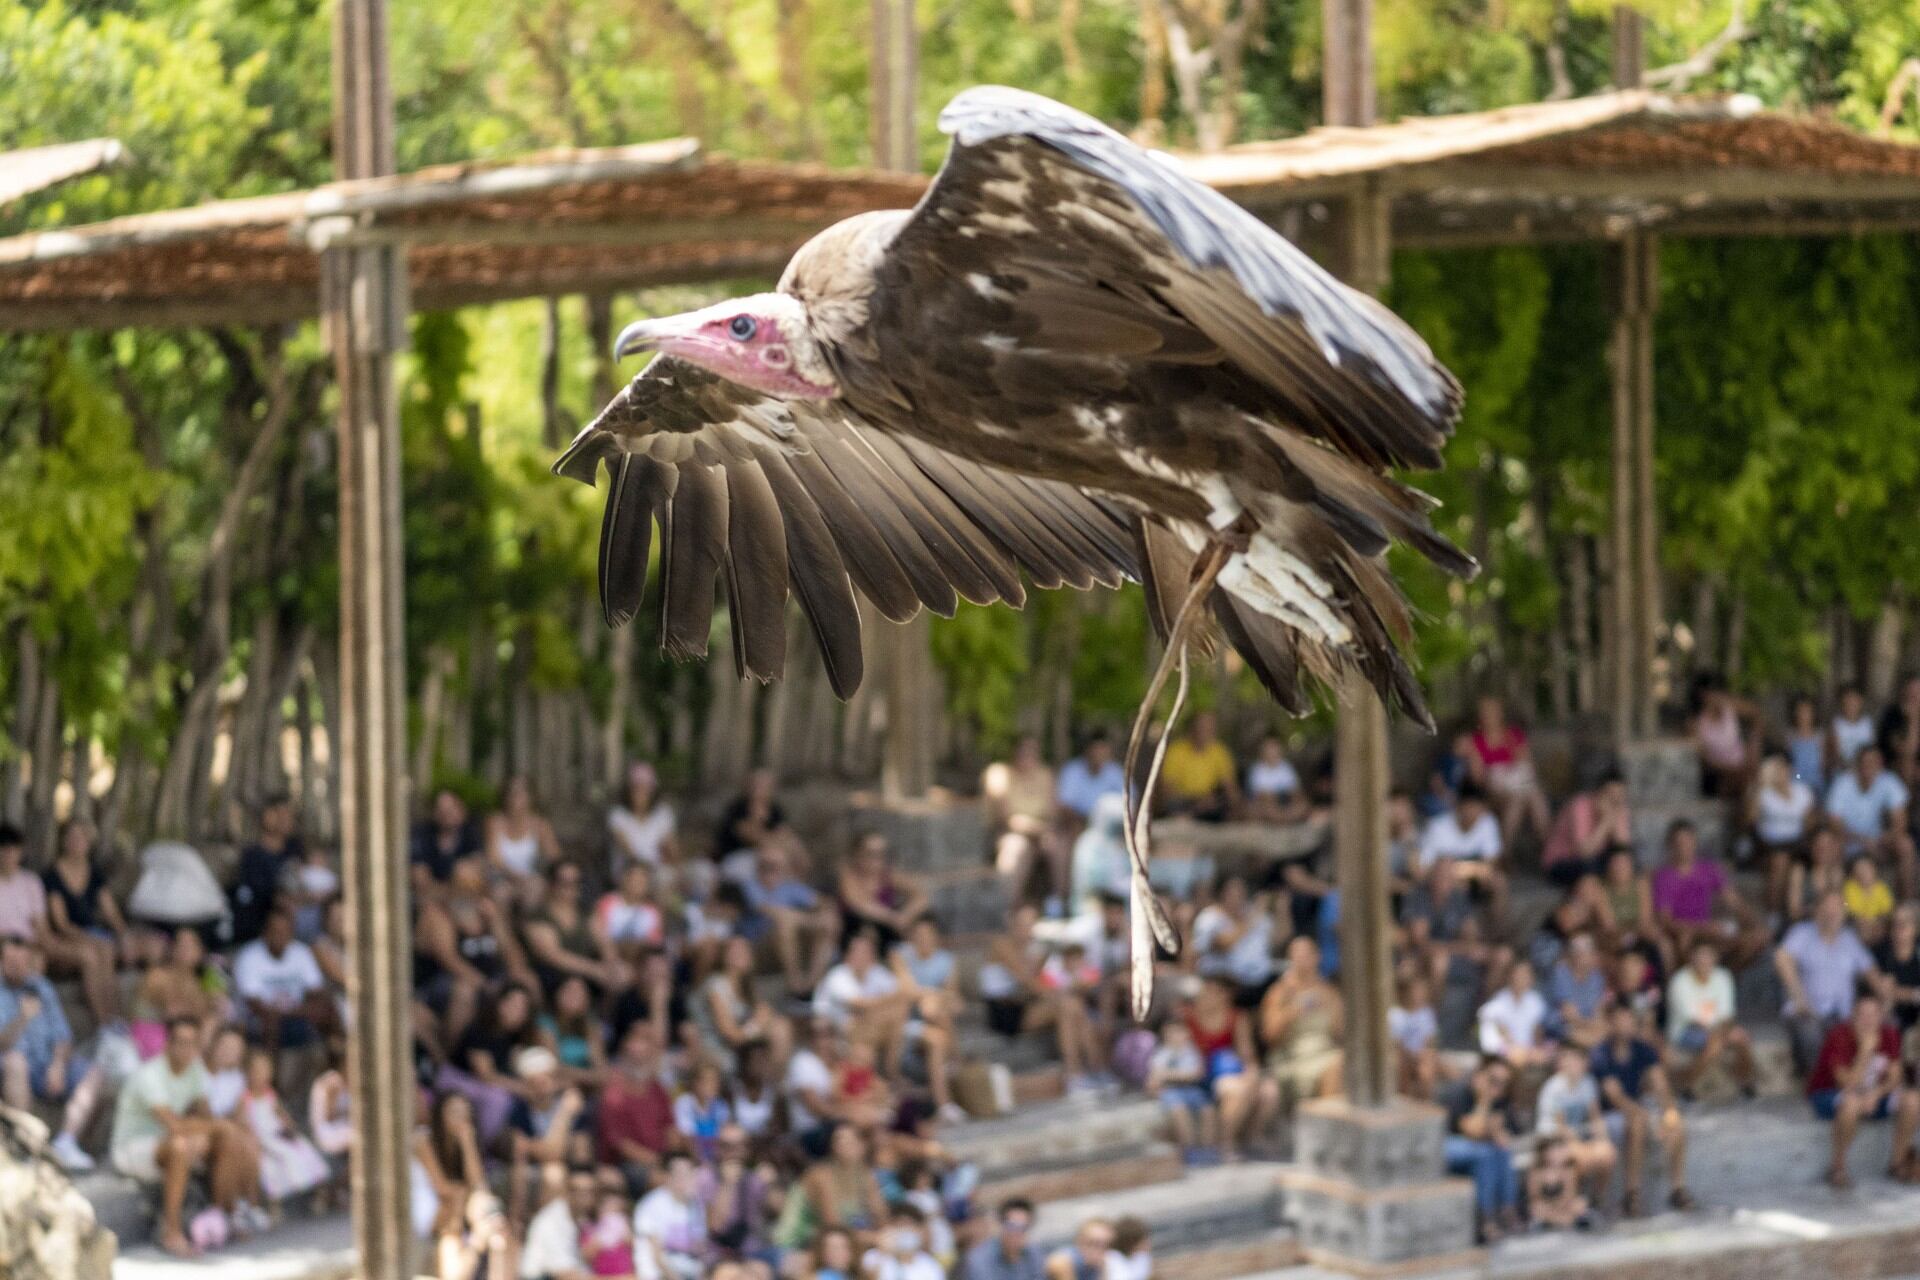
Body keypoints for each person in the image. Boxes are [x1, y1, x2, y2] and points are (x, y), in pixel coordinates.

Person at [111, 1016, 261, 1258]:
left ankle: (223, 1217)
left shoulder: (194, 1071)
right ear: (168, 1044)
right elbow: (176, 1126)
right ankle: (171, 1233)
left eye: (192, 1043)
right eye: (181, 1042)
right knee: (182, 1146)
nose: (187, 1049)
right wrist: (213, 1128)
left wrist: (216, 1131)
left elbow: (206, 1117)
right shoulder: (150, 1075)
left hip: (167, 1140)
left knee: (227, 1138)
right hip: (132, 1148)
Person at [0, 936, 107, 1170]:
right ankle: (23, 1145)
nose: (17, 966)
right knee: (15, 1062)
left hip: (47, 1063)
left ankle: (66, 1143)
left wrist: (57, 1065)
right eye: (10, 961)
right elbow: (2, 1044)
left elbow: (63, 1035)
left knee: (94, 1072)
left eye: (21, 960)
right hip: (13, 1064)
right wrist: (23, 1017)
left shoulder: (41, 986)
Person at [1592, 1004, 1692, 1215]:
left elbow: (1659, 1084)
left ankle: (1677, 1188)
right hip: (1610, 1115)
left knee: (1676, 1124)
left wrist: (1668, 1112)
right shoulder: (1601, 1053)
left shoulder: (1643, 1049)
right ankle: (1632, 1193)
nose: (1625, 1025)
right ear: (1610, 1023)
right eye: (1620, 1020)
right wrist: (1642, 1116)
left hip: (1638, 1109)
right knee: (1637, 1123)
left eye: (1628, 1020)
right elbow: (1615, 1096)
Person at [1809, 994, 1912, 1189]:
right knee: (1851, 1103)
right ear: (1853, 1017)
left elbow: (1896, 1076)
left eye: (1874, 1014)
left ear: (1881, 1015)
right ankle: (1837, 1167)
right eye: (1863, 1015)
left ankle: (1897, 1162)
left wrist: (1876, 1093)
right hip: (1827, 1094)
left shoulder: (1889, 1034)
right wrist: (1865, 1051)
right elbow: (1846, 1083)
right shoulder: (1839, 1036)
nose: (1869, 1020)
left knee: (1913, 1100)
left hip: (1871, 1096)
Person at [1776, 889, 1879, 1077]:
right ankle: (1820, 1084)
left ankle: (1854, 1084)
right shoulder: (1802, 933)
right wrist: (1799, 997)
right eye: (1827, 908)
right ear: (1817, 911)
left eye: (1837, 908)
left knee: (1873, 1028)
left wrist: (1884, 996)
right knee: (1811, 1034)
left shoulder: (1850, 939)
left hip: (1843, 1012)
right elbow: (1781, 958)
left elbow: (1871, 972)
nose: (1832, 913)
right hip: (1808, 1010)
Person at [41, 818, 131, 1025]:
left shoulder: (94, 874)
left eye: (81, 838)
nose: (76, 842)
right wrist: (91, 938)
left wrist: (123, 934)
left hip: (91, 935)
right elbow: (61, 924)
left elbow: (111, 912)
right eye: (71, 837)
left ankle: (114, 1018)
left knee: (107, 949)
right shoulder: (52, 875)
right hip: (65, 939)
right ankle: (102, 1021)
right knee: (92, 953)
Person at [1650, 819, 1765, 970]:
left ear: (1695, 842)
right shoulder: (1664, 877)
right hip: (1686, 931)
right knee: (1685, 938)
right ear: (1671, 845)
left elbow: (1733, 901)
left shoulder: (1709, 869)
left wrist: (1753, 921)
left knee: (1757, 937)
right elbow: (1666, 921)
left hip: (1709, 930)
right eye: (1679, 842)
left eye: (1688, 841)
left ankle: (1726, 978)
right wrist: (1704, 927)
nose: (1684, 846)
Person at [233, 907, 336, 1050]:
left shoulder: (301, 952)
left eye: (285, 931)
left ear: (292, 933)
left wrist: (294, 1011)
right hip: (260, 1018)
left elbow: (316, 991)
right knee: (270, 1020)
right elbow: (253, 1003)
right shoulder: (249, 956)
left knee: (328, 1009)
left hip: (297, 1013)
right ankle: (268, 1067)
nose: (280, 936)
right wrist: (283, 1013)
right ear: (265, 932)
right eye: (275, 931)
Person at [1442, 1058, 1521, 1242]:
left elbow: (1502, 1138)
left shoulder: (1500, 1101)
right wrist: (1484, 1100)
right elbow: (1474, 1131)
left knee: (1500, 1153)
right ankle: (1486, 1219)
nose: (1498, 1087)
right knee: (1486, 1153)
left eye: (1503, 1083)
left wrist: (1494, 1131)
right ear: (1479, 1076)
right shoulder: (1460, 1093)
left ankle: (1506, 1210)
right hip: (1445, 1145)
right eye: (1493, 1080)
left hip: (1475, 1151)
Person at [238, 1045, 329, 1203]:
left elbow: (280, 1113)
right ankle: (276, 1202)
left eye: (265, 1070)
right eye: (256, 1070)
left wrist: (288, 1125)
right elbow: (243, 1120)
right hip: (261, 1137)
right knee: (272, 1164)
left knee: (303, 1150)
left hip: (278, 1133)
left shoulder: (269, 1093)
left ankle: (316, 1193)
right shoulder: (244, 1098)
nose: (261, 1075)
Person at [1825, 744, 1918, 899]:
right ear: (1857, 764)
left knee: (1905, 844)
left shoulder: (1889, 781)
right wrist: (1864, 842)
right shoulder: (1843, 783)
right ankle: (1836, 903)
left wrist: (1883, 839)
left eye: (1873, 762)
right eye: (1865, 762)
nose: (1869, 766)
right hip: (1850, 842)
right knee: (1832, 844)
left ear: (1880, 764)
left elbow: (1900, 822)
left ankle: (1908, 902)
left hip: (1880, 842)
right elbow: (1834, 824)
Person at [1259, 935, 1343, 1104]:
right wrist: (1291, 1012)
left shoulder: (1329, 992)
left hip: (1325, 1052)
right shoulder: (1279, 992)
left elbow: (1340, 1034)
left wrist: (1331, 1008)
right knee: (1336, 1066)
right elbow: (1269, 1037)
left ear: (1317, 957)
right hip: (1294, 1059)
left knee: (1343, 1062)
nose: (1301, 959)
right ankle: (1325, 1123)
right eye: (1296, 954)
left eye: (1306, 954)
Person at [1666, 939, 1756, 1096]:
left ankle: (1745, 1081)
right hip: (1686, 1030)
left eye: (1708, 956)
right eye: (1700, 956)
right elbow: (1691, 1017)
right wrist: (1720, 1034)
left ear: (1715, 958)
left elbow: (1727, 1013)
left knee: (1741, 1038)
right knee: (1715, 1045)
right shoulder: (1679, 981)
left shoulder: (1723, 976)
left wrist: (1723, 1032)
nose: (1704, 960)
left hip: (1718, 1028)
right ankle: (1686, 1083)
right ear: (1691, 958)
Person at [984, 736, 1064, 911]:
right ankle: (1004, 909)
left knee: (1057, 846)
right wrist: (1037, 829)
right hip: (1006, 833)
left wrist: (1043, 831)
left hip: (1042, 834)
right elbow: (1005, 817)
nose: (1028, 755)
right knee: (1016, 849)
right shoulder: (999, 773)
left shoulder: (1045, 775)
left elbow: (1053, 812)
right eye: (1023, 750)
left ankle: (1059, 905)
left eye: (1033, 751)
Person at [1533, 1044, 1616, 1209]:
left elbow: (1595, 1117)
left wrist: (1603, 1140)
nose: (1571, 1064)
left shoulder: (1588, 1083)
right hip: (1551, 1139)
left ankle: (1596, 1199)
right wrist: (1581, 1147)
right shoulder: (1554, 1087)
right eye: (1567, 1060)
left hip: (1574, 1137)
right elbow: (1561, 1126)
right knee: (1580, 1157)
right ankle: (1570, 1204)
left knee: (1608, 1154)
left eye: (1576, 1060)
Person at [1465, 697, 1549, 853]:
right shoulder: (1476, 741)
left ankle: (1514, 849)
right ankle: (1509, 851)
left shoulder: (1514, 735)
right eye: (1485, 712)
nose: (1489, 716)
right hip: (1492, 793)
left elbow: (1528, 765)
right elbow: (1477, 779)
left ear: (1500, 714)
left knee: (1532, 797)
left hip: (1519, 789)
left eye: (1493, 712)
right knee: (1524, 797)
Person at [598, 1023, 675, 1186]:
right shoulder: (614, 1093)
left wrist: (673, 1156)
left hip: (660, 1159)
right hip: (625, 1165)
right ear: (625, 1054)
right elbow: (619, 1144)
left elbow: (670, 1127)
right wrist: (656, 1161)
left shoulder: (657, 1089)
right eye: (636, 1055)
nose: (642, 1057)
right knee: (664, 1181)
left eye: (647, 1055)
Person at [1417, 786, 1507, 923]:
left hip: (1474, 878)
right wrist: (1461, 873)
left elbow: (1491, 863)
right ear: (1458, 806)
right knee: (1458, 886)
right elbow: (1425, 866)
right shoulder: (1438, 826)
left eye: (1477, 808)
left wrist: (1466, 871)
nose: (1472, 813)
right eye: (1469, 807)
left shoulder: (1488, 822)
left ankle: (1498, 929)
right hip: (1441, 879)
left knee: (1499, 881)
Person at [836, 835, 930, 955]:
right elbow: (859, 904)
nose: (877, 859)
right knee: (867, 929)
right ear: (857, 854)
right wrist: (894, 919)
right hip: (855, 930)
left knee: (923, 922)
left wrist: (906, 915)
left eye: (882, 854)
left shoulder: (888, 875)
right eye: (871, 853)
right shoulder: (849, 875)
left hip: (887, 928)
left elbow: (921, 896)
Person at [229, 797, 303, 947]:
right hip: (258, 932)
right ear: (267, 816)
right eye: (280, 814)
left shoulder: (295, 850)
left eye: (289, 815)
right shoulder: (252, 856)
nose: (285, 819)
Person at [1191, 875, 1275, 1003]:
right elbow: (1224, 946)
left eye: (1241, 890)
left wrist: (1282, 909)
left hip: (1260, 980)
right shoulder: (1209, 917)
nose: (1238, 895)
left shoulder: (1253, 913)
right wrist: (1251, 919)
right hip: (1224, 983)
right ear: (1221, 893)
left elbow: (1279, 940)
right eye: (1233, 891)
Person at [1541, 771, 1632, 889]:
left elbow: (1623, 847)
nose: (1614, 800)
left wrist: (1615, 821)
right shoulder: (1579, 806)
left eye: (1619, 797)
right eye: (1610, 795)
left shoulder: (1619, 807)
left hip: (1596, 857)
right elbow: (1584, 853)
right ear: (1598, 794)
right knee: (1590, 869)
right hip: (1562, 862)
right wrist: (1605, 822)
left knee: (1626, 863)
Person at [1753, 753, 1818, 915]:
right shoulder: (1762, 793)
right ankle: (1773, 913)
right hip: (1769, 843)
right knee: (1780, 861)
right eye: (1776, 768)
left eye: (1783, 767)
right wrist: (1757, 788)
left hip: (1797, 841)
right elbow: (1748, 821)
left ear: (1790, 769)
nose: (1780, 771)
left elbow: (1810, 824)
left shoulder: (1803, 791)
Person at [1147, 1018, 1216, 1162]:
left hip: (1191, 1090)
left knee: (1207, 1109)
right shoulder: (1161, 1055)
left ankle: (1208, 1147)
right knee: (1180, 1111)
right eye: (1171, 1034)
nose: (1175, 1037)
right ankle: (1190, 1149)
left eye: (1179, 1033)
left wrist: (1169, 1075)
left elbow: (1197, 1074)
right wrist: (1179, 1076)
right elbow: (1154, 1078)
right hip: (1172, 1092)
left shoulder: (1192, 1052)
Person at [632, 1152, 708, 1280]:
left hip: (688, 1270)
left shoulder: (696, 1205)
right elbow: (656, 1255)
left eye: (689, 1173)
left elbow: (700, 1249)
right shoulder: (651, 1204)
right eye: (681, 1174)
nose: (686, 1178)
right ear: (668, 1176)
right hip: (657, 1273)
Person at [487, 777, 562, 902]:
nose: (514, 798)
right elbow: (494, 860)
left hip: (531, 879)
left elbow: (555, 858)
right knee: (501, 893)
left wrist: (541, 873)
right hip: (503, 878)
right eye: (511, 793)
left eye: (520, 793)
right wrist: (516, 877)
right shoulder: (495, 822)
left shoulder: (540, 825)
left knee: (535, 889)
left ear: (530, 797)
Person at [521, 1163, 601, 1280]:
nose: (585, 1197)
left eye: (590, 1191)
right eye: (578, 1191)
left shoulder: (582, 1219)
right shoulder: (551, 1221)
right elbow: (565, 1275)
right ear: (567, 1192)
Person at [1158, 711, 1237, 822]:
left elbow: (1230, 787)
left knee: (1221, 805)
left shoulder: (1220, 752)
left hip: (1210, 802)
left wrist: (1231, 803)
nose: (1206, 732)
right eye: (1202, 727)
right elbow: (1167, 789)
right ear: (1192, 729)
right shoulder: (1176, 751)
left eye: (1210, 728)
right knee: (1173, 804)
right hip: (1183, 801)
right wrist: (1196, 801)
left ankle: (1191, 816)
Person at [1543, 932, 1611, 1050]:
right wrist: (1591, 1026)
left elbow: (1598, 1012)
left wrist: (1598, 1027)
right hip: (1560, 1026)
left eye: (1588, 952)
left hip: (1585, 1025)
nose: (1583, 956)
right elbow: (1569, 1015)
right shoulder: (1560, 973)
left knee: (1606, 1034)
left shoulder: (1597, 978)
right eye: (1579, 953)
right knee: (1592, 1041)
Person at [1691, 680, 1757, 801]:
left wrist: (1753, 747)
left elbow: (1756, 716)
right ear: (1703, 696)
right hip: (1717, 773)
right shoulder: (1697, 724)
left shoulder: (1731, 707)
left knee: (1748, 781)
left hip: (1742, 767)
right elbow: (1703, 759)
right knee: (1742, 783)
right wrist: (1730, 769)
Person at [1477, 960, 1549, 1069]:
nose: (1521, 978)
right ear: (1510, 976)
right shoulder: (1499, 1001)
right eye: (1518, 974)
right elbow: (1496, 1032)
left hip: (1528, 1051)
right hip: (1505, 1051)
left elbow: (1537, 1032)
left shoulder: (1536, 1001)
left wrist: (1536, 1049)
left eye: (1525, 975)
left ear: (1532, 979)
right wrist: (1514, 1048)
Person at [608, 762, 680, 871]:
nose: (641, 793)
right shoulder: (618, 814)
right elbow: (628, 851)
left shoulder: (663, 813)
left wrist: (676, 866)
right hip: (629, 871)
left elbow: (670, 847)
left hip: (657, 871)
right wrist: (647, 869)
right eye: (637, 788)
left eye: (646, 788)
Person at [414, 788, 485, 893]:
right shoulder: (423, 834)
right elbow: (420, 877)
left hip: (465, 898)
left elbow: (477, 869)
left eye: (450, 809)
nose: (446, 815)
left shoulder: (471, 832)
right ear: (433, 813)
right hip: (431, 898)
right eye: (441, 810)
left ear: (461, 810)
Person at [441, 1189, 520, 1280]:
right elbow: (453, 1277)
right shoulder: (453, 1239)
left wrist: (498, 1252)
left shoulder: (505, 1241)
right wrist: (477, 1243)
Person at [1055, 734, 1125, 828]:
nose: (1099, 754)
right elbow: (1065, 806)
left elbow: (1131, 802)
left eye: (1103, 749)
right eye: (1096, 749)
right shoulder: (1072, 770)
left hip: (1112, 828)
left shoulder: (1115, 772)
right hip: (1079, 825)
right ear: (1087, 750)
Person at [965, 1198, 1044, 1280]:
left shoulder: (1033, 1253)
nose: (1016, 1233)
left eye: (1023, 1228)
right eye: (1011, 1226)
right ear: (1000, 1225)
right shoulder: (979, 1260)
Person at [863, 1202, 944, 1280]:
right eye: (901, 1225)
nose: (905, 1231)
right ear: (891, 1227)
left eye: (910, 1226)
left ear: (919, 1231)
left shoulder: (929, 1264)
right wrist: (883, 1253)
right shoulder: (873, 1256)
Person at [1874, 903, 1920, 1030]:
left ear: (1915, 928)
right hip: (1889, 1020)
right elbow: (1882, 992)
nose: (1899, 928)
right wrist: (1912, 994)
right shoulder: (1881, 953)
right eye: (1895, 923)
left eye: (1904, 923)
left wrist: (1903, 993)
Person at [1243, 735, 1308, 824]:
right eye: (1269, 749)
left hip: (1285, 804)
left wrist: (1291, 802)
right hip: (1266, 805)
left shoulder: (1286, 767)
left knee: (1303, 806)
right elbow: (1261, 796)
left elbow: (1296, 792)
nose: (1272, 752)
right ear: (1263, 752)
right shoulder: (1257, 770)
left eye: (1275, 749)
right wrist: (1275, 805)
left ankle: (1282, 819)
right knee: (1258, 809)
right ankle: (1281, 819)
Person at [1845, 855, 1895, 947]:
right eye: (1859, 869)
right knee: (1861, 927)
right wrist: (1865, 922)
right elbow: (1851, 911)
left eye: (1866, 869)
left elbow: (1887, 911)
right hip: (1857, 923)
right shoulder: (1850, 887)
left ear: (1874, 870)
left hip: (1878, 924)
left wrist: (1876, 922)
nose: (1863, 873)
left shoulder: (1882, 888)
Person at [1044, 1218, 1113, 1280]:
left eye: (1105, 1246)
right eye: (1093, 1243)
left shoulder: (1100, 1263)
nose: (1098, 1251)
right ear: (1079, 1241)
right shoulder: (1061, 1262)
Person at [1830, 685, 1877, 775]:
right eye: (1848, 700)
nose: (1851, 704)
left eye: (1854, 700)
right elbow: (1836, 753)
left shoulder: (1867, 724)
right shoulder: (1836, 724)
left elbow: (1872, 750)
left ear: (1860, 702)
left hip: (1865, 769)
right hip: (1843, 770)